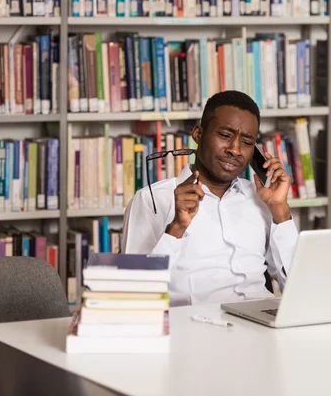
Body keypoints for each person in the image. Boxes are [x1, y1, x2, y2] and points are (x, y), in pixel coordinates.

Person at [122, 91, 298, 307]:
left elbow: (299, 289)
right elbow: (133, 295)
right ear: (198, 134)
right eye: (225, 135)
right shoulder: (152, 199)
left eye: (247, 142)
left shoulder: (263, 200)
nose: (235, 150)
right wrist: (176, 228)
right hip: (196, 329)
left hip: (260, 323)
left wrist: (280, 209)